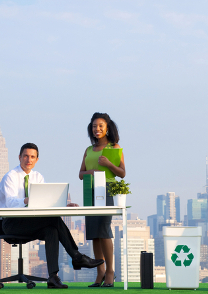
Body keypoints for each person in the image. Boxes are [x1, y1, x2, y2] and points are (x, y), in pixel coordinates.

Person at [0, 143, 104, 289]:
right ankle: (77, 256)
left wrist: (63, 205)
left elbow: (46, 202)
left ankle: (53, 277)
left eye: (32, 157)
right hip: (12, 224)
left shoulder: (38, 177)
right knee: (53, 219)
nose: (28, 160)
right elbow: (10, 203)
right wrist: (27, 200)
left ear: (37, 160)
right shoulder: (10, 177)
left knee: (51, 230)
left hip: (32, 222)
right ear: (19, 157)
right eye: (25, 156)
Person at [78, 113, 126, 287]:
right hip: (90, 191)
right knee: (94, 234)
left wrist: (108, 164)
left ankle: (111, 271)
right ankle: (100, 272)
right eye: (93, 126)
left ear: (107, 128)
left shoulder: (114, 148)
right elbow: (80, 174)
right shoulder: (88, 150)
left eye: (100, 126)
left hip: (106, 190)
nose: (96, 129)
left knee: (104, 230)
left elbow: (122, 173)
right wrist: (90, 172)